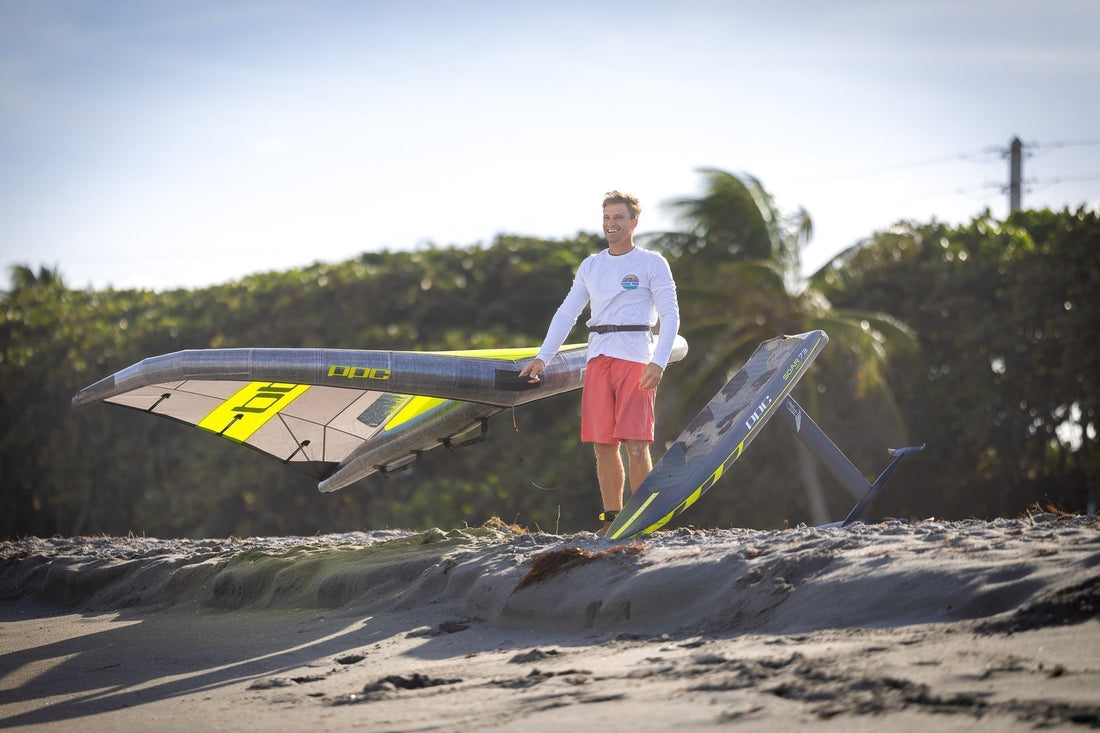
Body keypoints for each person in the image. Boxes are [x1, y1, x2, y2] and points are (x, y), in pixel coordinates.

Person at [519, 191, 680, 535]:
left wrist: (659, 362)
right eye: (607, 217)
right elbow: (567, 313)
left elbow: (670, 315)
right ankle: (612, 521)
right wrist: (543, 357)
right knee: (603, 446)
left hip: (636, 359)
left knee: (636, 444)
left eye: (619, 217)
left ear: (634, 222)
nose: (611, 224)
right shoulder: (591, 265)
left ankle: (644, 521)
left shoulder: (652, 263)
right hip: (598, 360)